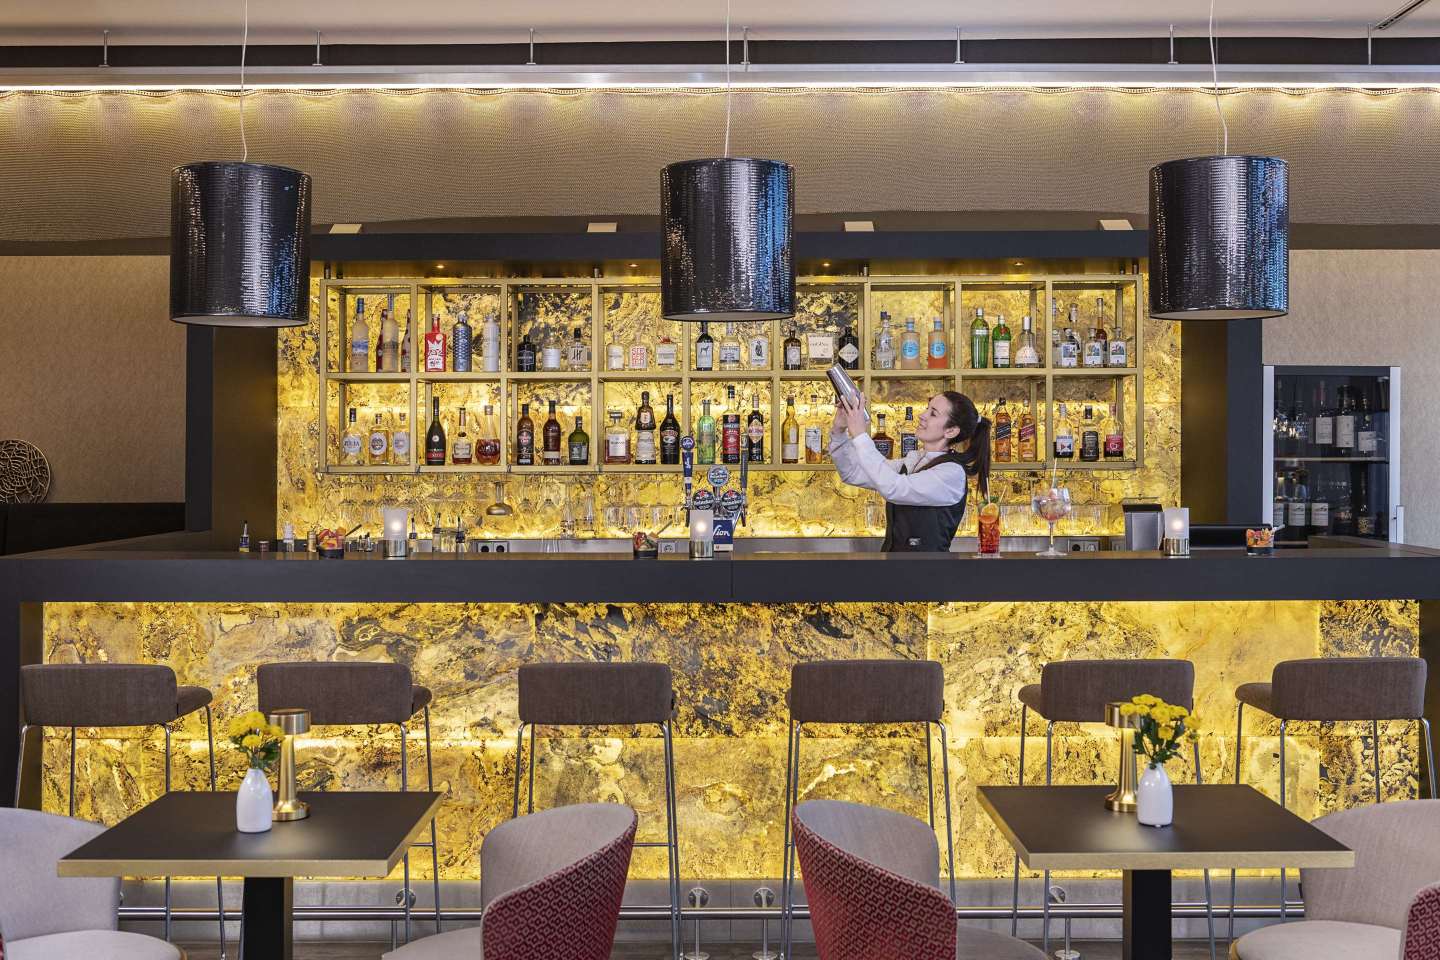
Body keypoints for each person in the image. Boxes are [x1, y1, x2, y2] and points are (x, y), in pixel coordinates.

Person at [830, 390, 991, 552]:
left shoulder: (951, 473)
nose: (922, 415)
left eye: (933, 413)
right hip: (896, 563)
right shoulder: (914, 461)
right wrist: (839, 430)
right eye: (927, 408)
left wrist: (860, 434)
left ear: (951, 431)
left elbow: (894, 488)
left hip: (929, 566)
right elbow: (853, 472)